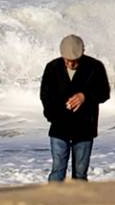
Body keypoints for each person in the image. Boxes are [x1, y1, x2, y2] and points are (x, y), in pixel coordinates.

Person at [40, 34, 111, 181]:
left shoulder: (95, 67)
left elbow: (104, 93)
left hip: (84, 128)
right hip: (59, 127)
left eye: (75, 60)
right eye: (68, 60)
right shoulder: (52, 67)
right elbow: (45, 96)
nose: (71, 64)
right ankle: (51, 202)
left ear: (82, 52)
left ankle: (79, 203)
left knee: (80, 174)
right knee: (57, 171)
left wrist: (84, 96)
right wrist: (52, 116)